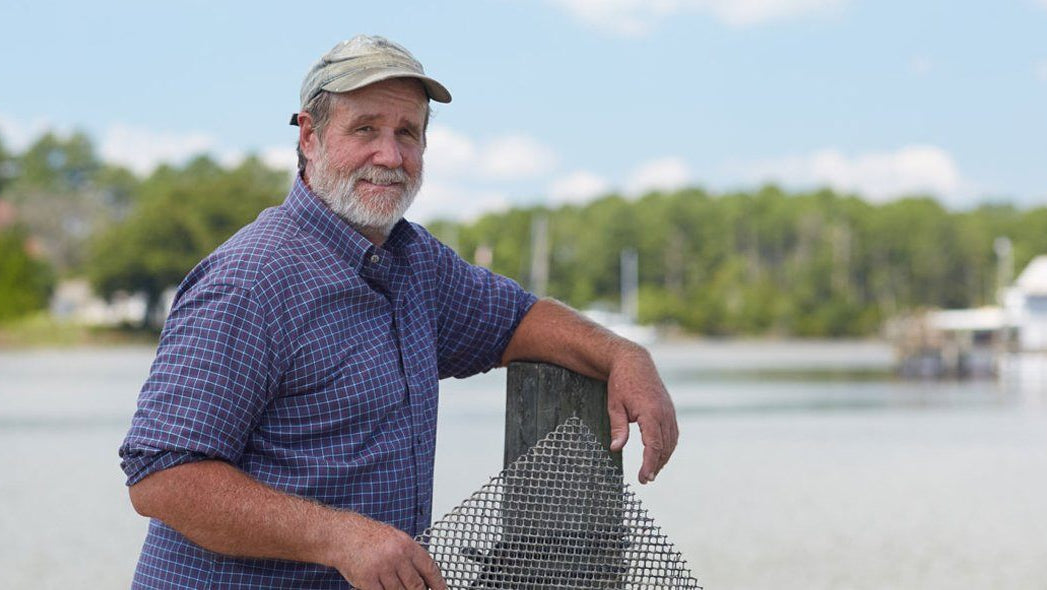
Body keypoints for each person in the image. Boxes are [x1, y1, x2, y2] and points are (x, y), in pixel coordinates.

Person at [120, 34, 678, 590]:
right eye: (365, 129)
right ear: (310, 136)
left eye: (407, 133)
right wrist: (341, 538)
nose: (390, 156)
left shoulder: (415, 261)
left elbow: (518, 321)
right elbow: (161, 477)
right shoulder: (248, 279)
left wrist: (624, 355)